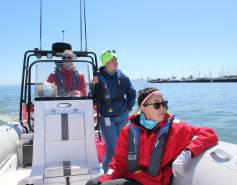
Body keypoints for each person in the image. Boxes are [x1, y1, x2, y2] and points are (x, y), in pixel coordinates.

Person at [86, 87, 218, 185]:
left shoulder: (177, 128)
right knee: (92, 183)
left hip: (152, 181)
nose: (163, 108)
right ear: (143, 107)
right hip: (130, 176)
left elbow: (208, 133)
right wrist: (107, 178)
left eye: (164, 103)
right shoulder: (129, 130)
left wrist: (188, 153)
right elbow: (119, 162)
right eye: (157, 104)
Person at [91, 49, 136, 173]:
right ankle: (105, 173)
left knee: (124, 146)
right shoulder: (97, 78)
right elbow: (92, 96)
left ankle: (122, 171)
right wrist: (93, 85)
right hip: (106, 118)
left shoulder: (123, 77)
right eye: (113, 60)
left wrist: (128, 109)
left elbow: (132, 94)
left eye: (116, 59)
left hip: (122, 116)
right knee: (112, 148)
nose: (116, 62)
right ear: (106, 63)